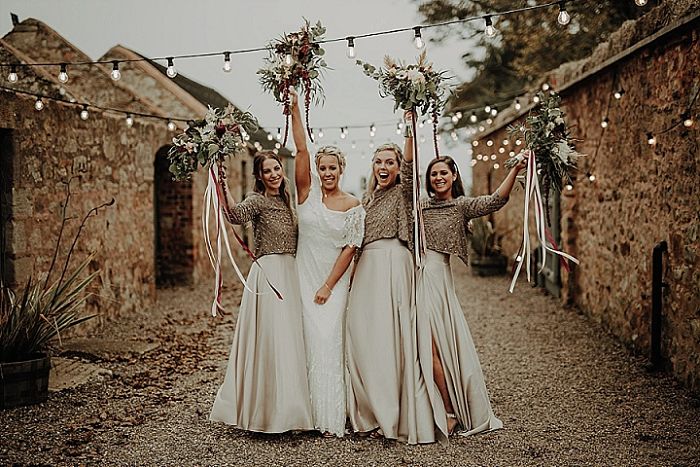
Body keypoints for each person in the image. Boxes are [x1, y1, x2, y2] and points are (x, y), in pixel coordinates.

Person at [407, 110, 527, 437]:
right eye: (433, 175)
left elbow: (496, 200)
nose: (438, 179)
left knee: (433, 346)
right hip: (414, 277)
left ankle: (450, 410)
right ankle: (435, 407)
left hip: (436, 278)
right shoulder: (419, 207)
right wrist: (409, 124)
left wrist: (515, 168)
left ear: (452, 176)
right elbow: (405, 182)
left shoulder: (461, 206)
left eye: (443, 173)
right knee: (421, 347)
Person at [209, 151, 314, 433]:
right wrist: (223, 183)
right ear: (259, 176)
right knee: (272, 339)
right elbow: (234, 215)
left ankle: (293, 409)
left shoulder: (287, 200)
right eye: (267, 171)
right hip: (269, 274)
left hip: (291, 274)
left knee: (291, 339)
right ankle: (267, 411)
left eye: (277, 168)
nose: (274, 174)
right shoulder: (257, 200)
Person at [345, 135, 438, 444]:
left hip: (394, 265)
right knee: (360, 332)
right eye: (379, 162)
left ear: (398, 168)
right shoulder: (366, 200)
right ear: (373, 166)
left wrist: (410, 125)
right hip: (367, 268)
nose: (383, 167)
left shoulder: (404, 193)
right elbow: (356, 243)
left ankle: (394, 412)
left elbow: (412, 167)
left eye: (390, 162)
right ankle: (369, 407)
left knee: (391, 337)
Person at [289, 89, 365, 437]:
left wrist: (328, 285)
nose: (327, 172)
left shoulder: (353, 204)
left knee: (328, 340)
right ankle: (299, 413)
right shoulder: (306, 195)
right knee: (303, 339)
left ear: (341, 169)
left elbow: (351, 247)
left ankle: (330, 415)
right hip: (302, 277)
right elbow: (302, 150)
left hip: (332, 282)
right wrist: (294, 110)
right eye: (323, 168)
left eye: (333, 167)